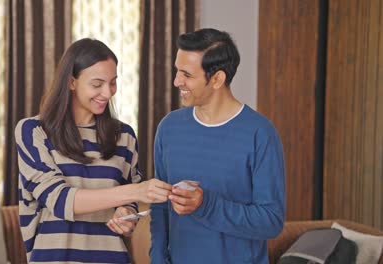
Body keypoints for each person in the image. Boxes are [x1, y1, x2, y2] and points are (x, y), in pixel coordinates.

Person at [15, 38, 172, 263]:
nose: (108, 93)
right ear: (71, 82)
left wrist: (126, 215)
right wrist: (137, 191)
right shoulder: (33, 131)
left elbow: (128, 205)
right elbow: (60, 201)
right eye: (97, 84)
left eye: (113, 83)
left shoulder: (124, 136)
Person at [150, 28, 286, 264]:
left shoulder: (260, 134)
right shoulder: (168, 129)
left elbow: (271, 221)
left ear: (217, 79)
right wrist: (157, 259)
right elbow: (160, 209)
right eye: (176, 71)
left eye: (186, 74)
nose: (176, 81)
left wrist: (207, 205)